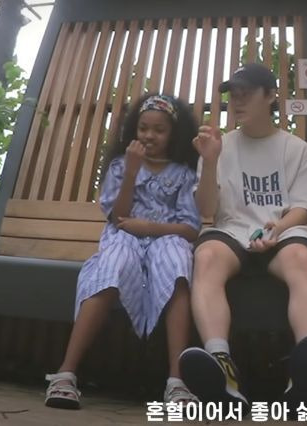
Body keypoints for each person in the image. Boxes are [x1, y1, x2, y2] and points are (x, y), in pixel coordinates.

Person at [179, 63, 307, 412]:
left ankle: (305, 368)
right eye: (233, 95)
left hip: (282, 231)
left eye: (246, 93)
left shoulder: (296, 149)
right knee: (206, 257)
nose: (237, 101)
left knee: (301, 259)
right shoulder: (219, 146)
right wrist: (211, 162)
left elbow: (303, 210)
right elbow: (207, 210)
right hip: (231, 231)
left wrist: (276, 230)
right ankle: (222, 369)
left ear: (271, 96)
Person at [44, 94, 201, 409]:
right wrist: (131, 172)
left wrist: (150, 227)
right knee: (112, 265)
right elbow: (118, 217)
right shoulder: (120, 166)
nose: (149, 136)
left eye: (159, 130)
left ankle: (177, 382)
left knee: (178, 266)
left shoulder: (184, 173)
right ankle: (65, 374)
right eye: (143, 128)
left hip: (166, 238)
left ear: (174, 134)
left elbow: (190, 228)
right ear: (134, 130)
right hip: (124, 236)